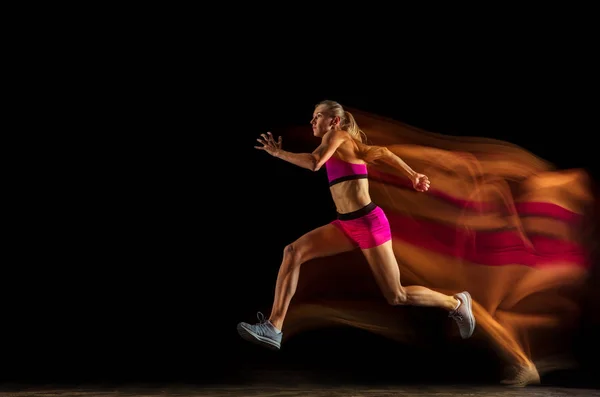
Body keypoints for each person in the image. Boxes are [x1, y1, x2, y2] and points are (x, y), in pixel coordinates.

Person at [237, 100, 475, 350]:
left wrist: (279, 153)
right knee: (292, 251)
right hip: (346, 224)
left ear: (334, 121)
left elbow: (314, 163)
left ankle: (456, 303)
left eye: (317, 116)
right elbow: (382, 152)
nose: (312, 122)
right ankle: (274, 327)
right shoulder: (345, 144)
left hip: (369, 223)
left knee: (397, 295)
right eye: (313, 117)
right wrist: (412, 175)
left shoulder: (336, 136)